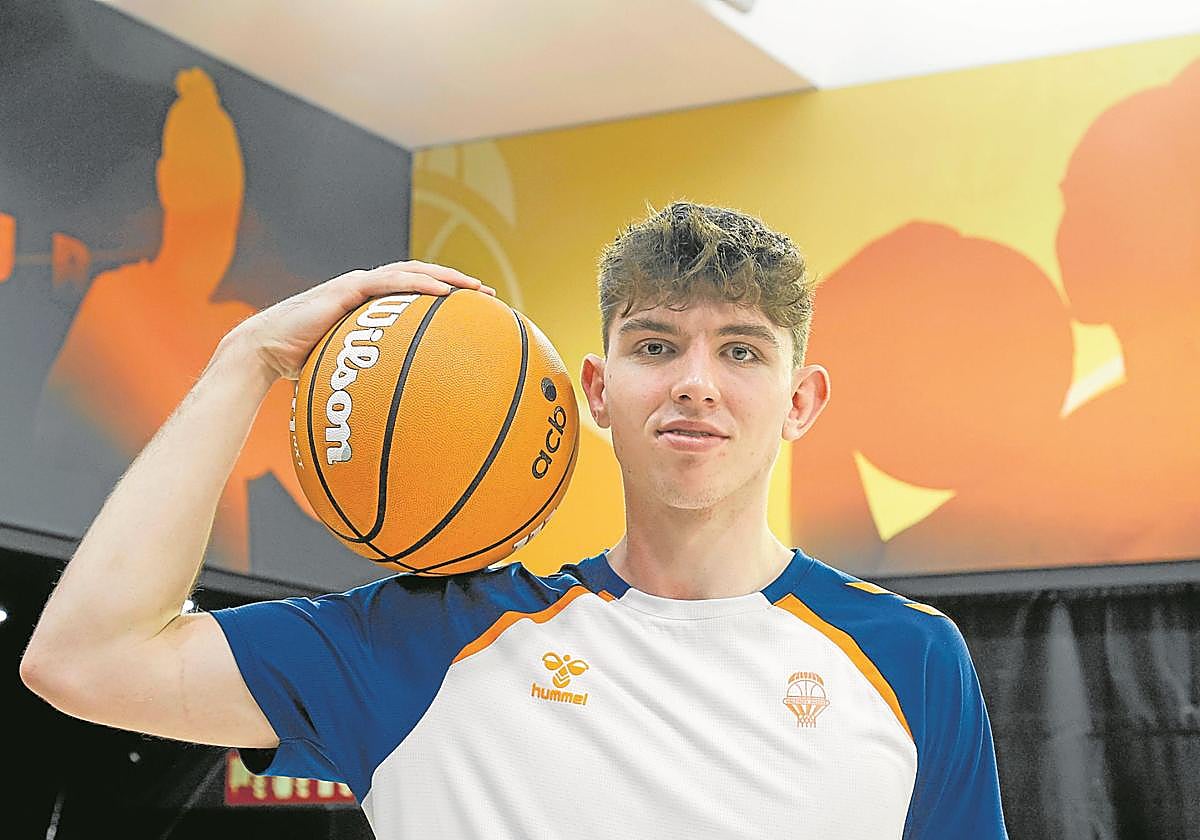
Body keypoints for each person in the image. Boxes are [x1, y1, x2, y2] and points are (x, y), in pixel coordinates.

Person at [21, 202, 1007, 838]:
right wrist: (245, 359)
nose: (697, 384)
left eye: (744, 353)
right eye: (656, 345)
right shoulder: (428, 642)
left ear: (803, 401)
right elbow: (82, 659)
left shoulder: (913, 658)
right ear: (595, 389)